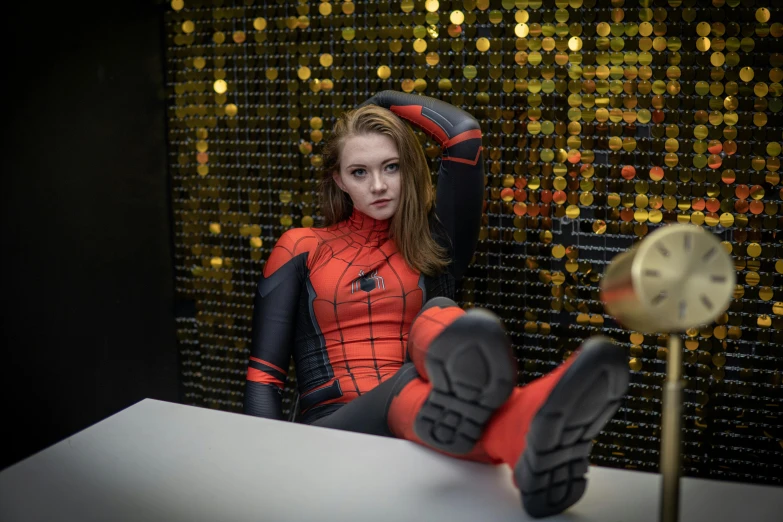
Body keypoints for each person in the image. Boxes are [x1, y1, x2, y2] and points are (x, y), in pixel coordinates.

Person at [244, 90, 629, 518]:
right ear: (338, 179)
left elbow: (463, 136)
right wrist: (269, 467)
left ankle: (522, 437)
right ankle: (524, 411)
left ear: (409, 168)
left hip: (424, 425)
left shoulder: (429, 244)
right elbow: (264, 377)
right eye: (359, 172)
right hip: (330, 431)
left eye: (391, 166)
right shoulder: (301, 247)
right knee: (413, 373)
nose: (378, 185)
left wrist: (385, 102)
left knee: (440, 306)